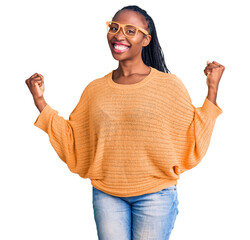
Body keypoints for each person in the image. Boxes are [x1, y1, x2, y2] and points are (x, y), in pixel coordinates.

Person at [25, 5, 225, 240]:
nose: (119, 35)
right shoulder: (95, 89)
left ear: (145, 39)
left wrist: (212, 89)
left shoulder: (169, 86)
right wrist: (40, 100)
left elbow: (193, 134)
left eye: (131, 31)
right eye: (114, 28)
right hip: (107, 194)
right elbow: (73, 139)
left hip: (156, 195)